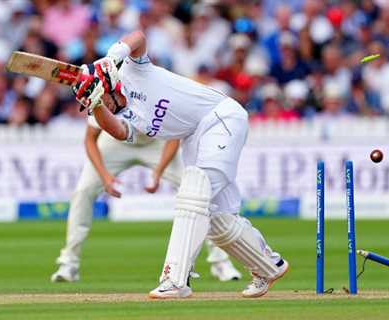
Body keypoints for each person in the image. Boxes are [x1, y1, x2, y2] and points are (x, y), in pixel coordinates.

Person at [72, 30, 289, 299]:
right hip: (193, 136)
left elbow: (138, 36)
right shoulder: (123, 113)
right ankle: (269, 266)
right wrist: (94, 106)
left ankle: (175, 278)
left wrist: (112, 56)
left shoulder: (132, 69)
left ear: (110, 83)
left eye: (100, 97)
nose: (102, 104)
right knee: (216, 219)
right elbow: (116, 131)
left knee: (193, 194)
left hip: (221, 117)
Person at [51, 103, 242, 283]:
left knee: (199, 190)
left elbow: (173, 138)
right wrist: (105, 176)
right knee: (83, 191)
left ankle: (220, 262)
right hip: (114, 143)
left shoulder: (159, 93)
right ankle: (69, 264)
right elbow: (90, 139)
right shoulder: (106, 94)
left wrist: (158, 172)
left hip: (156, 143)